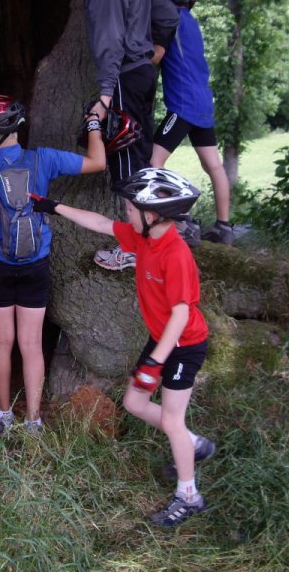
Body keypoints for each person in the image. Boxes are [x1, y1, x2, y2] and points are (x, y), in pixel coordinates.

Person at [29, 167, 214, 528]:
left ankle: (189, 495)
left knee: (172, 420)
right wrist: (54, 206)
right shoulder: (144, 237)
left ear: (152, 214)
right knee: (134, 403)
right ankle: (192, 444)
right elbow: (100, 223)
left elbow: (181, 314)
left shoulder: (175, 253)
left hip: (183, 344)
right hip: (161, 339)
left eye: (131, 207)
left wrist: (156, 361)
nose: (125, 211)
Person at [0, 95, 106, 433]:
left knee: (1, 343)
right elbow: (98, 162)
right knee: (31, 344)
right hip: (36, 266)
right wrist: (94, 124)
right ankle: (34, 419)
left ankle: (3, 415)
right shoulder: (45, 159)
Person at [80, 0, 179, 271]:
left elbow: (109, 43)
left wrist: (105, 96)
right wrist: (157, 49)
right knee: (140, 157)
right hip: (143, 76)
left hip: (122, 79)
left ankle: (135, 249)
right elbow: (168, 15)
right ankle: (155, 238)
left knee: (126, 164)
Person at [152, 0, 233, 245]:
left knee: (153, 162)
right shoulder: (192, 23)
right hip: (203, 104)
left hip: (182, 105)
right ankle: (224, 227)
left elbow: (155, 57)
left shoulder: (167, 19)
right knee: (214, 165)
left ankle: (181, 219)